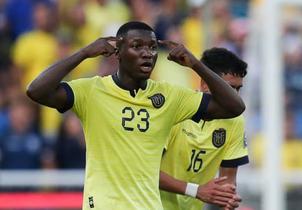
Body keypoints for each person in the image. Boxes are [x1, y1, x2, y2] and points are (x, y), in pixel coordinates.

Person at [26, 21, 245, 209]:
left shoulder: (169, 97)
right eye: (136, 46)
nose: (147, 53)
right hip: (104, 205)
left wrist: (196, 65)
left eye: (151, 47)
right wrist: (84, 53)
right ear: (118, 52)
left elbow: (234, 107)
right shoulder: (91, 91)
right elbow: (36, 91)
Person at [159, 48, 249, 210]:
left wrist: (227, 199)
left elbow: (227, 182)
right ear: (205, 83)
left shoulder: (235, 122)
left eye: (238, 89)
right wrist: (195, 190)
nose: (234, 96)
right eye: (228, 88)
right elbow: (145, 172)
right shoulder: (175, 109)